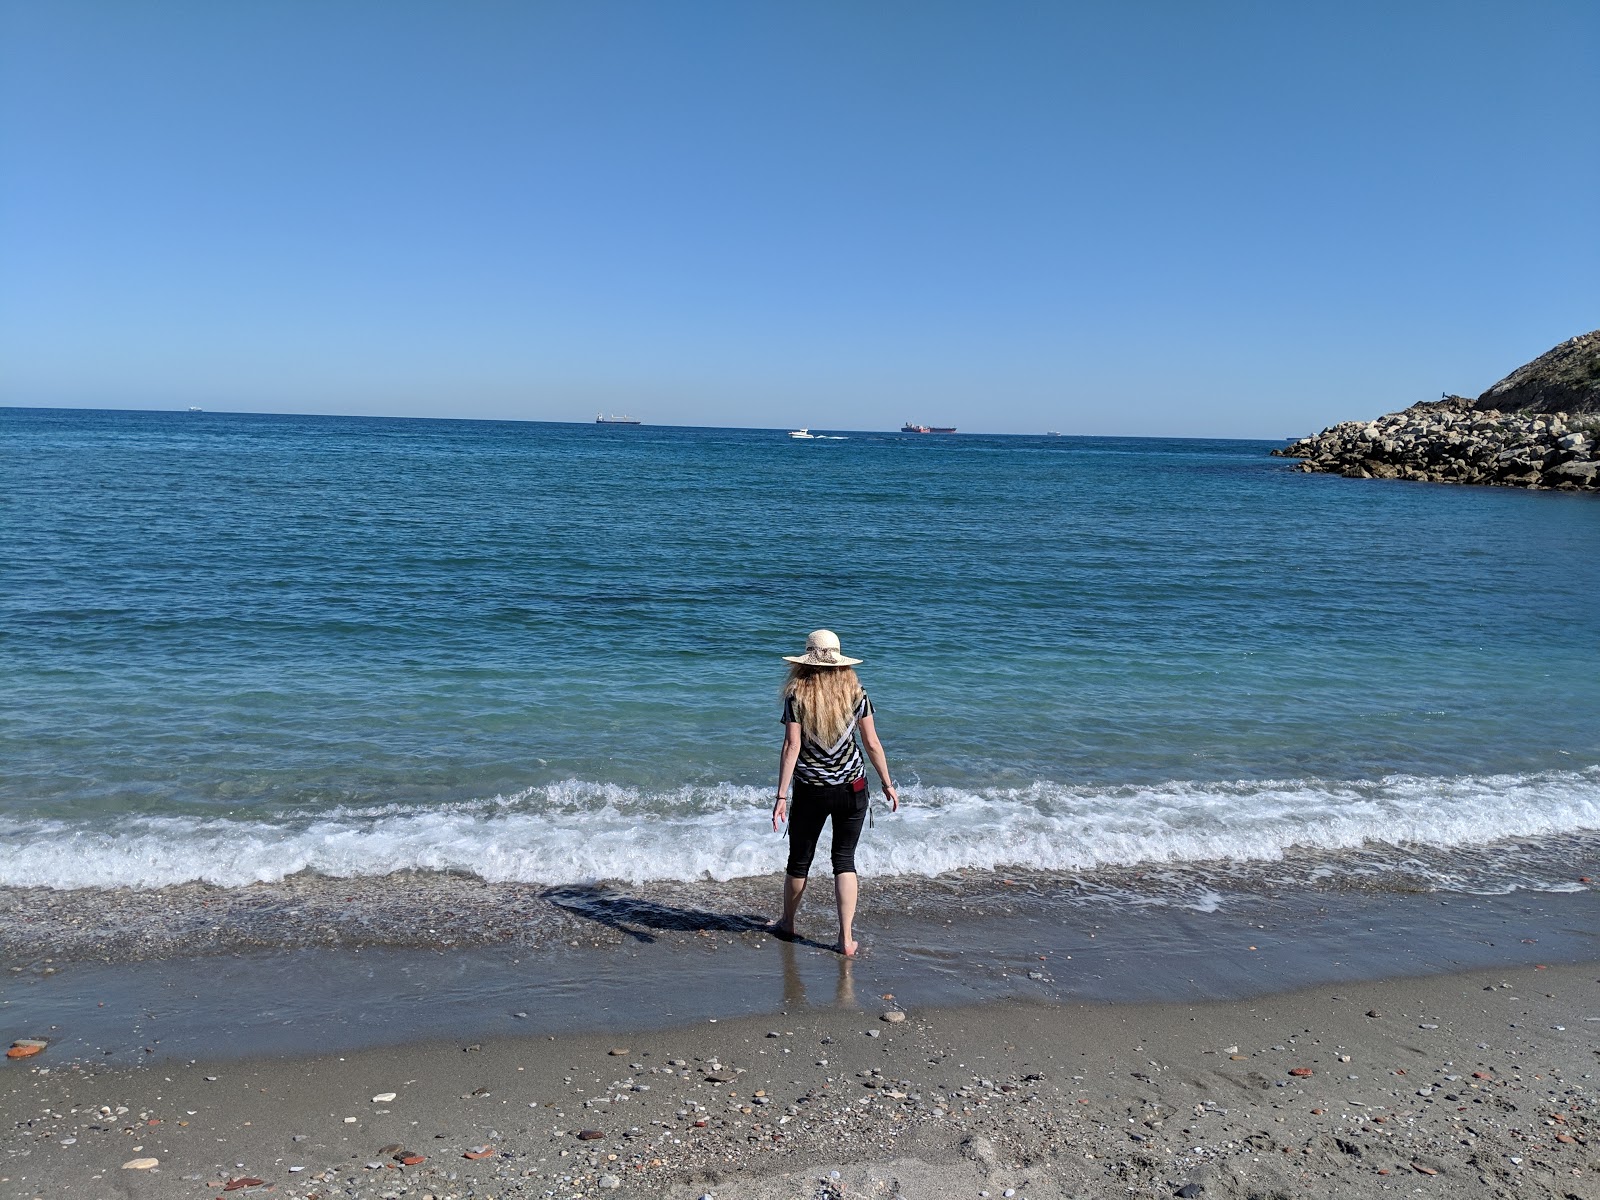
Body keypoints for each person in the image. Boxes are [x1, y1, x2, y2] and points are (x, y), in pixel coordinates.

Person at [770, 629, 898, 956]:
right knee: (844, 861)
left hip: (811, 790)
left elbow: (792, 746)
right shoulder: (857, 693)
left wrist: (781, 796)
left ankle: (788, 923)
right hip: (853, 789)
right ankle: (846, 939)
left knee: (799, 861)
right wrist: (887, 783)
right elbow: (871, 743)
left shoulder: (797, 695)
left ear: (806, 661)